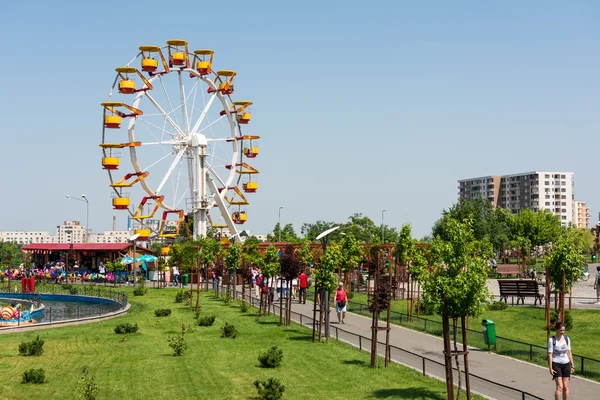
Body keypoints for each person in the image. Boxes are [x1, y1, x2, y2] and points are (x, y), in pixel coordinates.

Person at [548, 321, 574, 400]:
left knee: (565, 387)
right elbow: (550, 354)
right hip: (556, 364)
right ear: (556, 330)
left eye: (563, 330)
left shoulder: (567, 339)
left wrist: (572, 365)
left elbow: (569, 352)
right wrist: (550, 368)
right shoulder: (552, 340)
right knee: (560, 387)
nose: (562, 332)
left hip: (566, 364)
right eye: (561, 330)